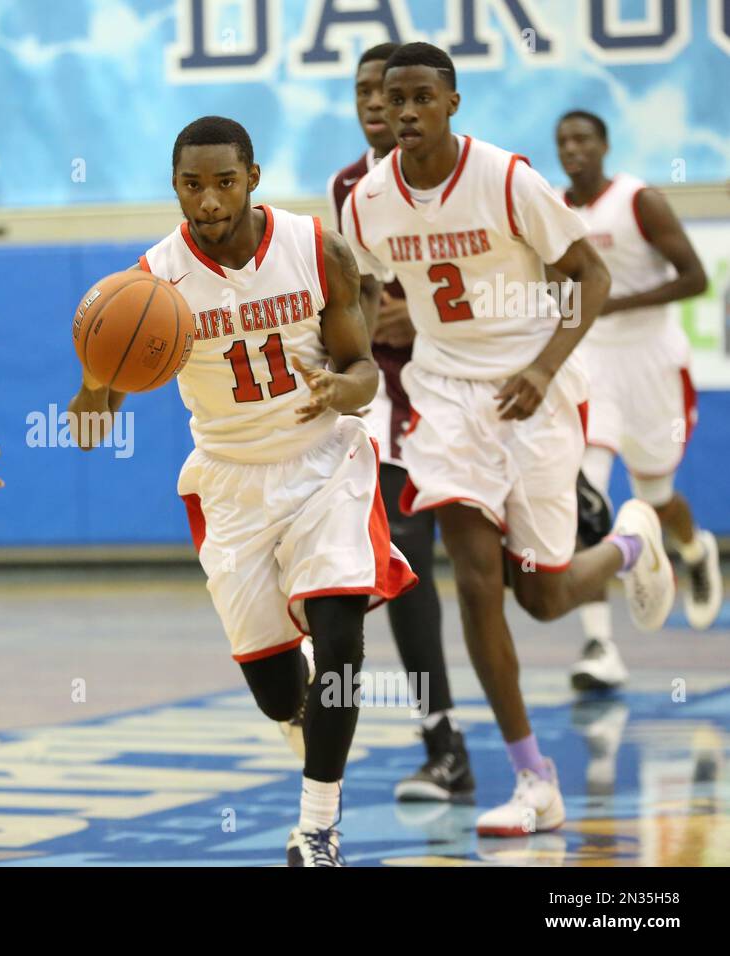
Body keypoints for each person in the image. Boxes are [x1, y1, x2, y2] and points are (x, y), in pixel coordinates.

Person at [342, 42, 676, 837]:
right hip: (446, 395)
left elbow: (590, 275)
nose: (406, 112)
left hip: (536, 389)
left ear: (453, 103)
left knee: (545, 595)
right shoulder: (368, 202)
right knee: (474, 578)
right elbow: (358, 292)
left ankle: (631, 545)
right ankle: (534, 779)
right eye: (395, 100)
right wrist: (341, 361)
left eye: (424, 97)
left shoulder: (506, 178)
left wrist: (542, 366)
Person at [70, 116, 416, 866]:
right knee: (274, 691)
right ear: (175, 188)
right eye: (192, 185)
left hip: (324, 462)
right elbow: (111, 379)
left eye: (224, 181)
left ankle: (318, 829)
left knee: (341, 643)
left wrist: (340, 388)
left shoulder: (314, 247)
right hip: (231, 481)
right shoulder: (153, 279)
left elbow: (363, 369)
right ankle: (311, 739)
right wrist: (94, 390)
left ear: (252, 178)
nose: (208, 199)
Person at [326, 41, 472, 803]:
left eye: (388, 91)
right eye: (362, 92)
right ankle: (444, 743)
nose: (376, 104)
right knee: (403, 560)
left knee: (530, 584)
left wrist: (428, 315)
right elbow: (352, 301)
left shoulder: (477, 176)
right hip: (390, 401)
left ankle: (616, 544)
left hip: (475, 387)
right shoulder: (349, 188)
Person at [555, 109, 721, 691]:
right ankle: (599, 645)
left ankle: (693, 548)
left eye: (582, 139)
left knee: (656, 493)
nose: (572, 149)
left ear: (603, 145)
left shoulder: (638, 201)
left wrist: (615, 303)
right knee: (583, 493)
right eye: (563, 142)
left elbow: (696, 277)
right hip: (590, 364)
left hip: (651, 362)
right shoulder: (554, 208)